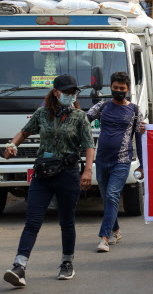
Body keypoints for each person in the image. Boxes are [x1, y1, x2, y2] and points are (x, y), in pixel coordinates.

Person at [3, 75, 95, 286]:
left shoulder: (80, 117)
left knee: (66, 221)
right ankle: (19, 266)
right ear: (55, 92)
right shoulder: (42, 113)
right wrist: (12, 145)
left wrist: (87, 170)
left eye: (73, 92)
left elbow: (89, 145)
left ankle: (67, 262)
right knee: (33, 221)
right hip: (43, 175)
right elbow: (23, 133)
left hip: (68, 174)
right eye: (66, 92)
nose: (70, 95)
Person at [86, 72, 144, 253]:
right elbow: (82, 122)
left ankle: (104, 238)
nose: (118, 91)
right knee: (107, 198)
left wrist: (142, 164)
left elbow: (140, 139)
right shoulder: (101, 107)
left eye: (122, 89)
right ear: (110, 87)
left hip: (122, 160)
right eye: (115, 88)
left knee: (111, 195)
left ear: (127, 90)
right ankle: (116, 230)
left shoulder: (135, 110)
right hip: (102, 159)